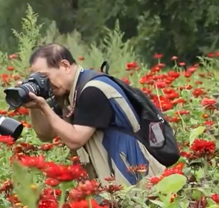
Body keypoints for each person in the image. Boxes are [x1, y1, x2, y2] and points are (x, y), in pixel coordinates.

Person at [22, 43, 165, 186]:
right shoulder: (70, 93)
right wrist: (33, 105)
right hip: (118, 179)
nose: (44, 84)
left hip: (137, 178)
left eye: (45, 77)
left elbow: (75, 139)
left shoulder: (93, 90)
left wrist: (44, 107)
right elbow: (45, 135)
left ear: (65, 66)